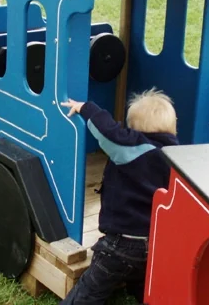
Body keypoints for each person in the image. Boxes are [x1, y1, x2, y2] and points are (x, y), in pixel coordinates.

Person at [60, 88, 179, 304]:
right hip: (154, 247)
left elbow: (107, 130)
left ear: (134, 129)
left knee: (89, 293)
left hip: (119, 247)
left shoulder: (132, 147)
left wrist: (86, 108)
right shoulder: (177, 156)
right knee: (145, 284)